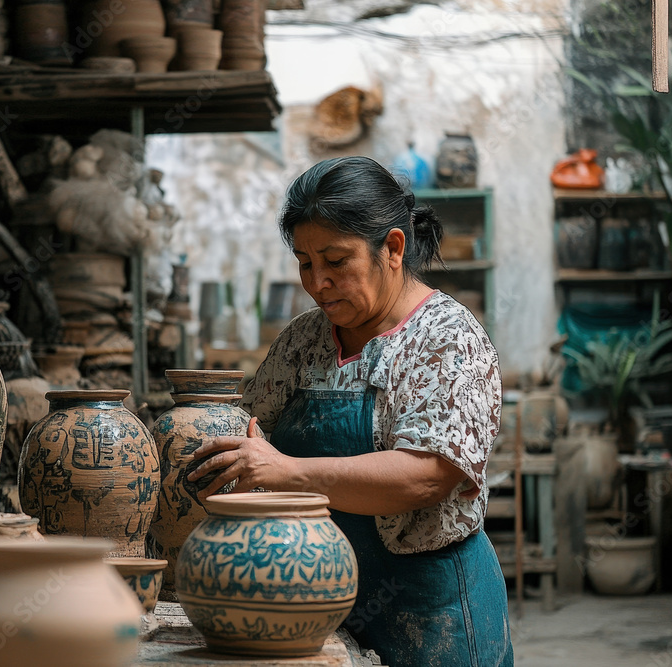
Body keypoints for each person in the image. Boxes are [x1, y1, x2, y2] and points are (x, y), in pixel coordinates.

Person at [188, 156, 513, 666]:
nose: (317, 282)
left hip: (428, 608)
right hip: (314, 602)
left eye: (336, 261)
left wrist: (287, 472)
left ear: (393, 248)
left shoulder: (449, 340)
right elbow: (244, 433)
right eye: (304, 262)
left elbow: (426, 476)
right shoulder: (302, 341)